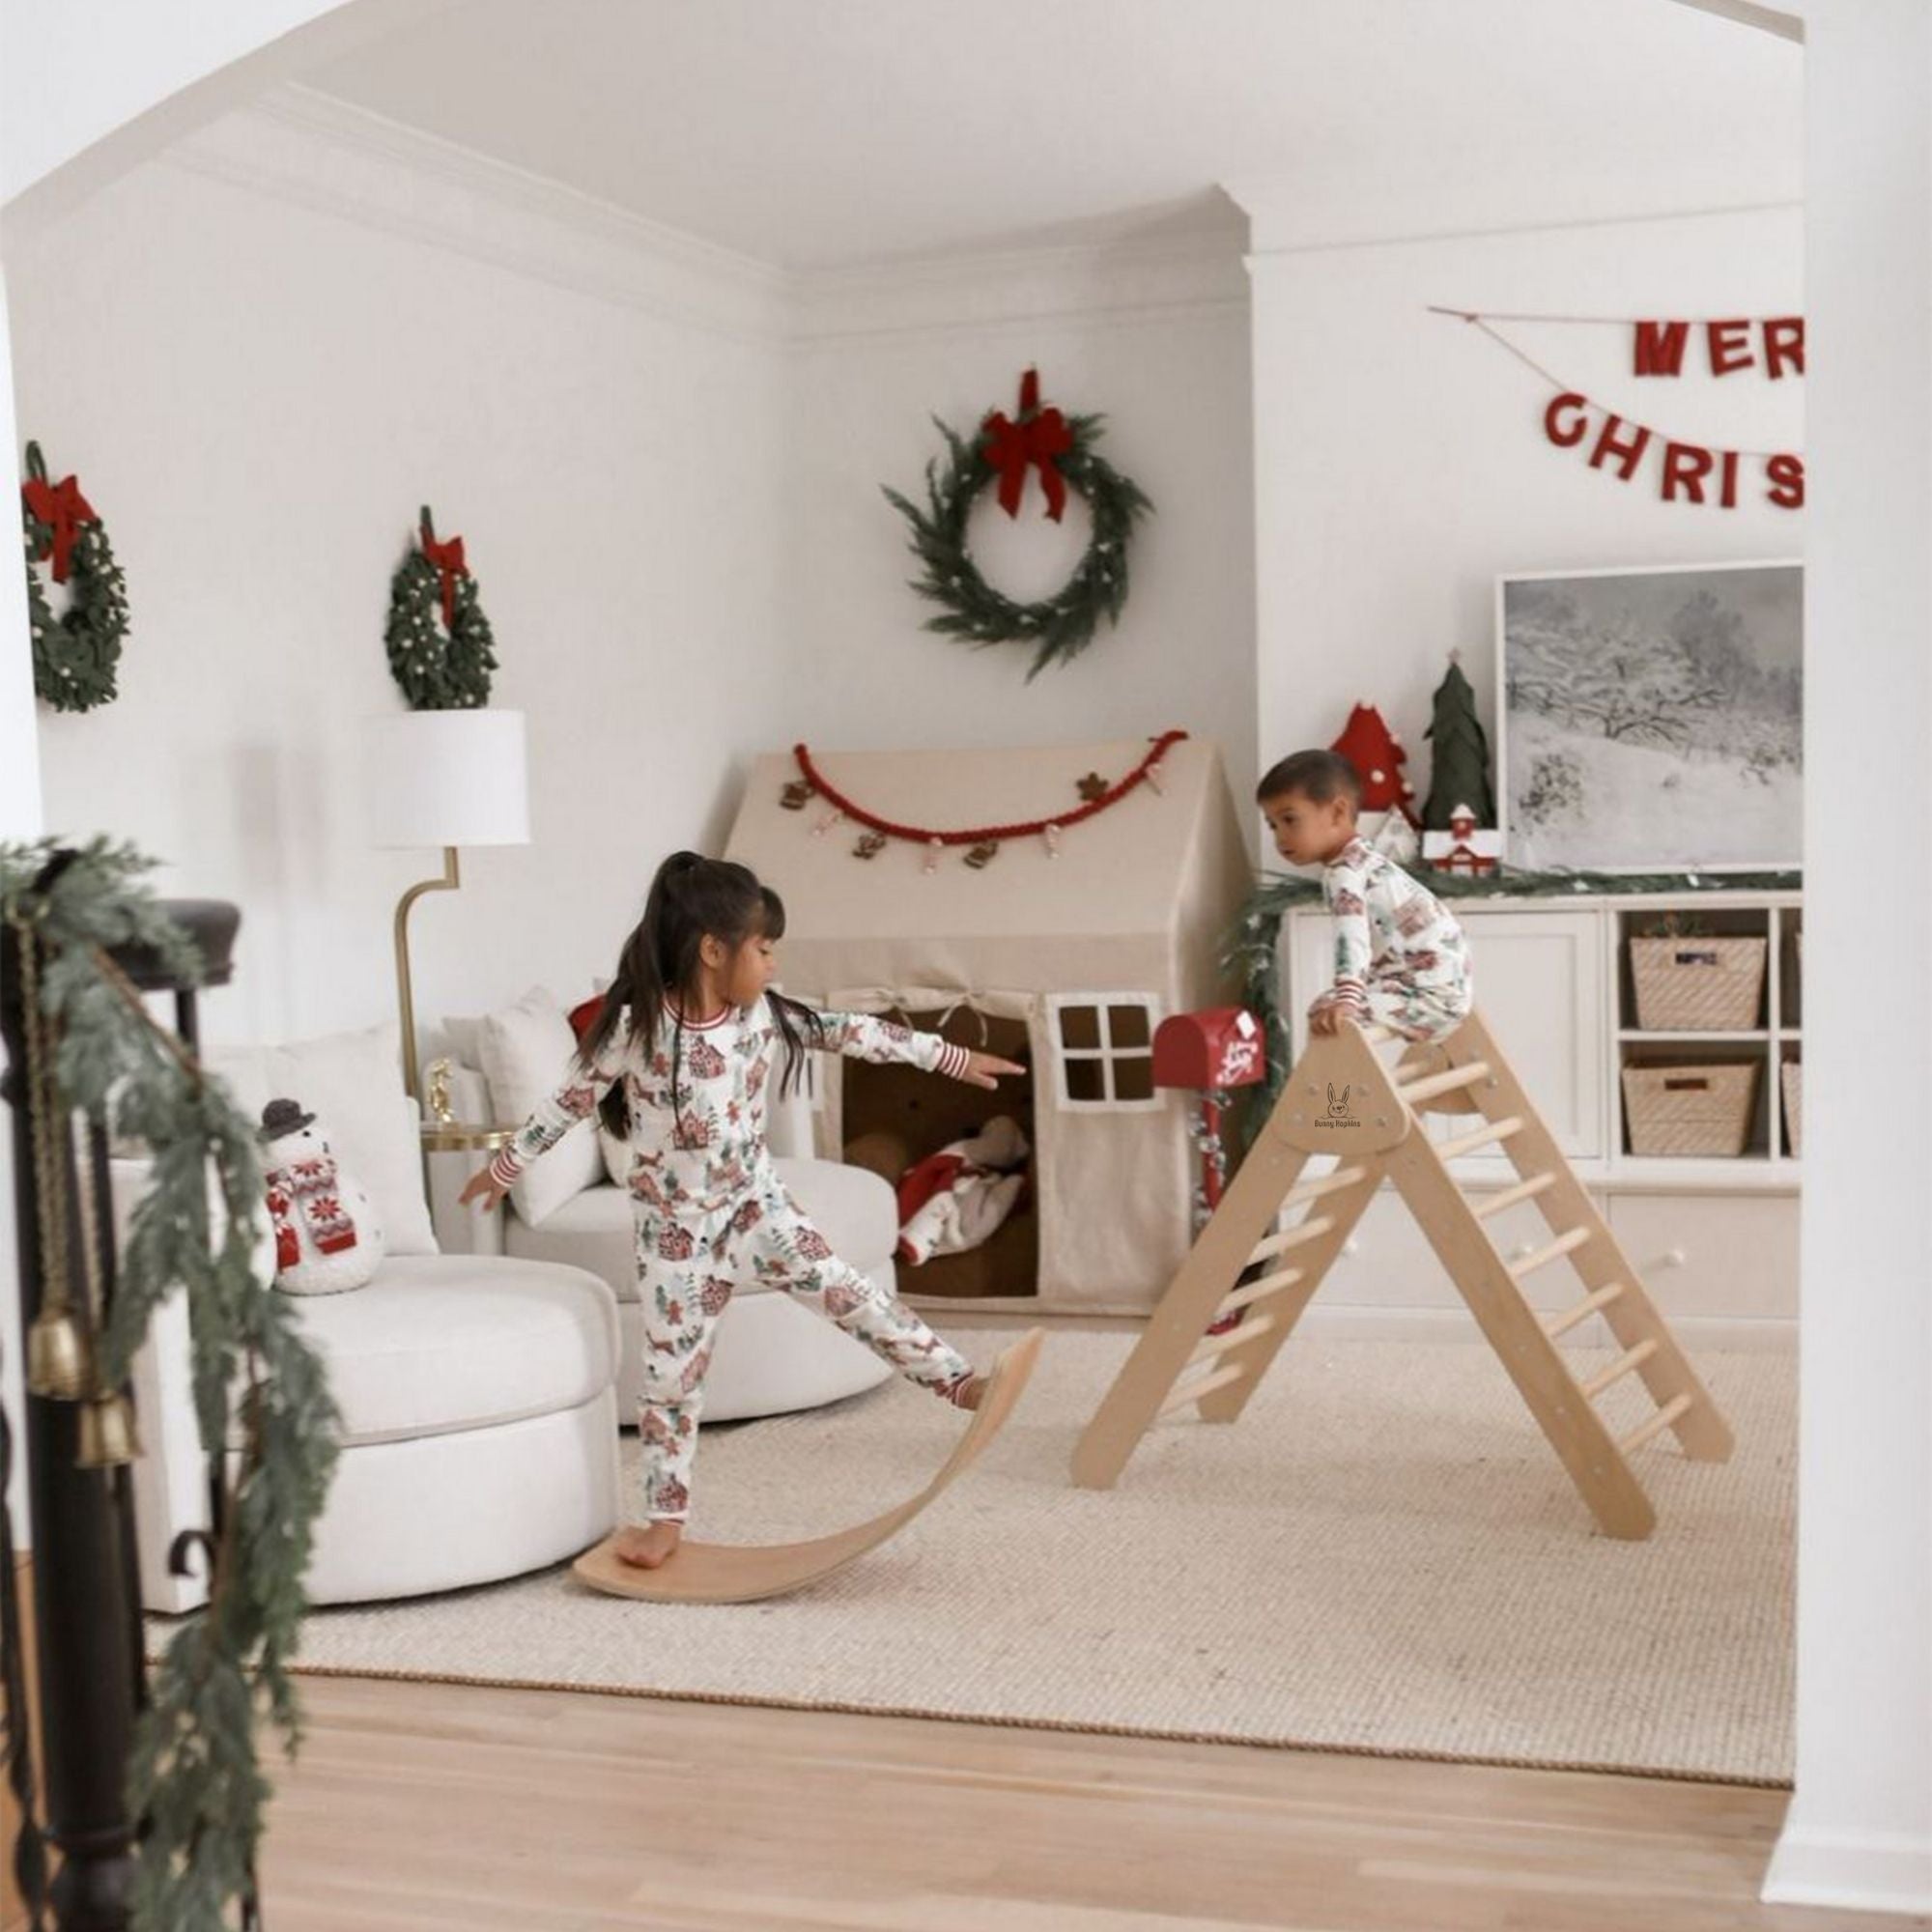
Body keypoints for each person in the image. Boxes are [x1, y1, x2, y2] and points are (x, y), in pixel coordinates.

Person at [459, 852, 1022, 1571]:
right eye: (764, 949)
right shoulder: (637, 1029)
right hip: (676, 1239)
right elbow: (568, 1102)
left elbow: (853, 1031)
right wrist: (504, 1168)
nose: (773, 964)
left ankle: (957, 1382)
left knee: (849, 1293)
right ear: (713, 951)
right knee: (672, 1379)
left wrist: (946, 1057)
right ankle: (664, 1520)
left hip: (757, 1210)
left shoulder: (763, 1016)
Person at [1257, 748, 1473, 1041]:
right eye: (1273, 825)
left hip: (1430, 998)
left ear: (1337, 812)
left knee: (1324, 1013)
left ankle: (1336, 1075)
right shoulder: (1368, 860)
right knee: (1331, 1007)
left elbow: (1352, 937)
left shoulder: (1345, 873)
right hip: (1450, 986)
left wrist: (1348, 997)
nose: (1280, 837)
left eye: (1290, 820)